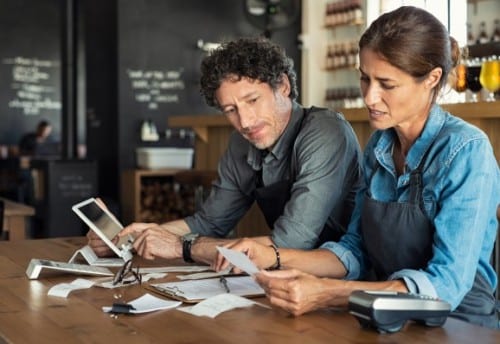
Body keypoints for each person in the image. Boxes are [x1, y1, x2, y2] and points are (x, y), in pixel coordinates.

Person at [215, 6, 500, 328]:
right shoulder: (379, 147)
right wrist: (273, 256)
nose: (369, 96)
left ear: (432, 79)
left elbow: (446, 287)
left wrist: (330, 293)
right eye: (365, 78)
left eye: (386, 84)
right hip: (385, 317)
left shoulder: (466, 151)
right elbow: (355, 249)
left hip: (459, 326)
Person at [88, 37, 363, 265]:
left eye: (252, 100)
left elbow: (291, 242)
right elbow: (209, 222)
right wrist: (134, 236)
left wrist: (183, 247)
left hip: (345, 278)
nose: (245, 122)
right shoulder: (241, 143)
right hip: (288, 277)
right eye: (230, 110)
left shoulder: (325, 132)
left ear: (283, 86)